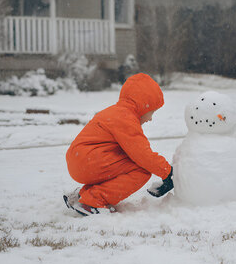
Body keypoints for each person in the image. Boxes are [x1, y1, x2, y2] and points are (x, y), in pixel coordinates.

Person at [63, 73, 173, 216]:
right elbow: (142, 155)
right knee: (142, 170)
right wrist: (167, 172)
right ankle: (92, 201)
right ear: (143, 106)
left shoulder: (115, 112)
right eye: (151, 112)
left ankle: (82, 196)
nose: (150, 118)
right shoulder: (126, 118)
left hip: (80, 159)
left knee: (126, 164)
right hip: (89, 160)